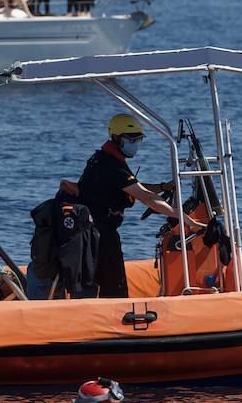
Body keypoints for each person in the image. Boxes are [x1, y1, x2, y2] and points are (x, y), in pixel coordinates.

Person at [75, 113, 176, 298]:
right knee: (116, 289)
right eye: (131, 140)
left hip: (92, 232)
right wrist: (181, 217)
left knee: (107, 284)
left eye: (138, 139)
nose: (135, 144)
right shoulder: (112, 166)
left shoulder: (104, 158)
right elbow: (145, 197)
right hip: (100, 235)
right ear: (117, 139)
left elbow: (132, 186)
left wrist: (162, 187)